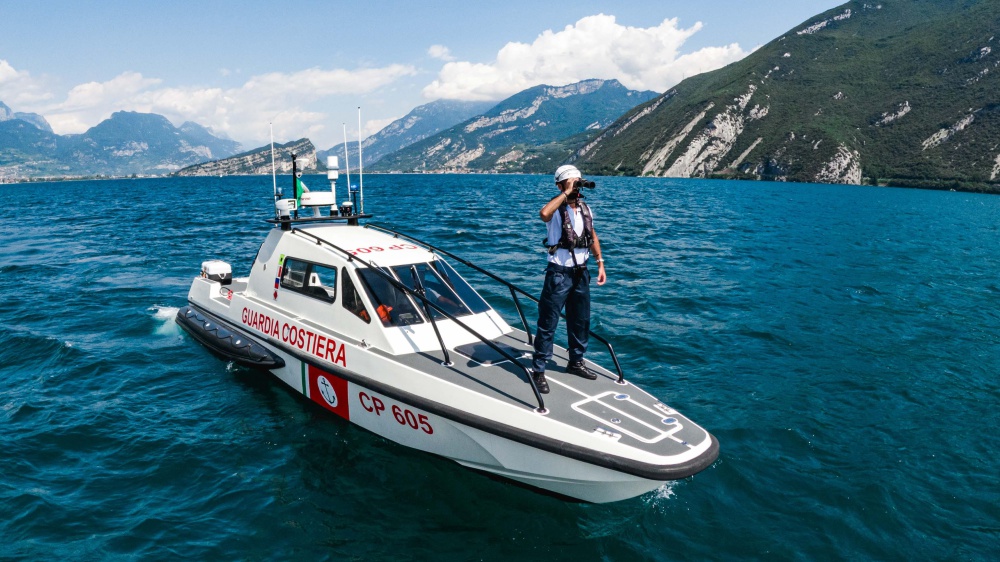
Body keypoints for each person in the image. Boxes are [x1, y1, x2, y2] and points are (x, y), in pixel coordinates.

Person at [530, 165, 606, 394]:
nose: (576, 187)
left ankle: (576, 362)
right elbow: (543, 214)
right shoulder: (555, 210)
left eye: (578, 182)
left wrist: (600, 262)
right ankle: (539, 370)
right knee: (548, 323)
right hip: (559, 274)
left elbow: (591, 236)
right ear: (560, 185)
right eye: (571, 182)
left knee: (580, 321)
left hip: (581, 273)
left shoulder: (585, 208)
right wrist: (565, 193)